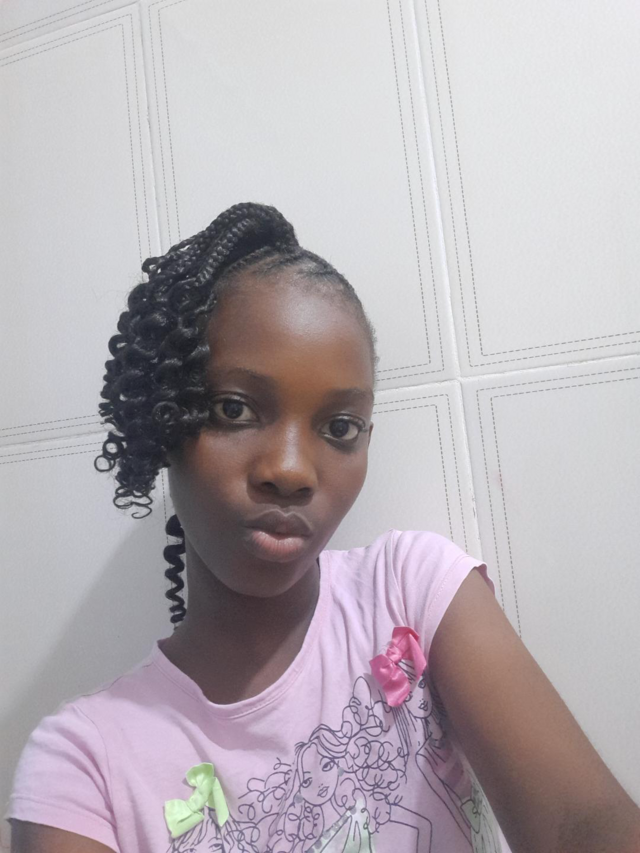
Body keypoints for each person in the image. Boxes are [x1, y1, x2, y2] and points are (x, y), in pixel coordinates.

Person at [6, 203, 637, 853]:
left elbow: (582, 825)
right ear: (164, 419)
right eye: (234, 409)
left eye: (340, 427)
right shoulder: (83, 765)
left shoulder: (413, 592)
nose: (289, 470)